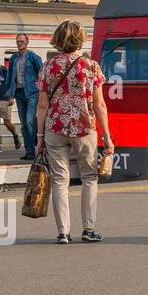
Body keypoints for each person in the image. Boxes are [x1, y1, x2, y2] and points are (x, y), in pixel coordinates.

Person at [36, 20, 114, 244]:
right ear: (80, 38)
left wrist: (39, 137)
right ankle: (88, 230)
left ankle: (63, 233)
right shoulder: (91, 66)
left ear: (57, 39)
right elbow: (99, 105)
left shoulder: (47, 66)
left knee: (60, 180)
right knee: (89, 176)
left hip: (55, 127)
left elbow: (42, 106)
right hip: (83, 126)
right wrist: (106, 135)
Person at [8, 34, 45, 161]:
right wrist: (10, 94)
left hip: (32, 93)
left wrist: (42, 92)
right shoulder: (13, 58)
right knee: (23, 124)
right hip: (19, 94)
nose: (19, 43)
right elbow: (9, 77)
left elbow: (42, 74)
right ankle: (29, 152)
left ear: (27, 42)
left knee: (29, 122)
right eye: (18, 41)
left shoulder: (33, 57)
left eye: (22, 41)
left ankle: (37, 148)